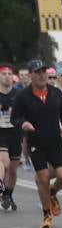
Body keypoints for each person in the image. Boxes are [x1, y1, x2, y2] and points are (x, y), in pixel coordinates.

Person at [13, 60, 62, 228]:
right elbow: (15, 118)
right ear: (31, 75)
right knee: (43, 177)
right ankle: (46, 214)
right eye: (37, 72)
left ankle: (52, 192)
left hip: (54, 140)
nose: (42, 75)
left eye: (44, 71)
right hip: (36, 142)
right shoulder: (23, 96)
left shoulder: (56, 93)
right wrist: (23, 123)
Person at [0, 65, 18, 211]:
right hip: (1, 133)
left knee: (12, 170)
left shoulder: (18, 95)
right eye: (4, 74)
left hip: (15, 133)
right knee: (4, 163)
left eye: (9, 74)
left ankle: (8, 194)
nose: (7, 76)